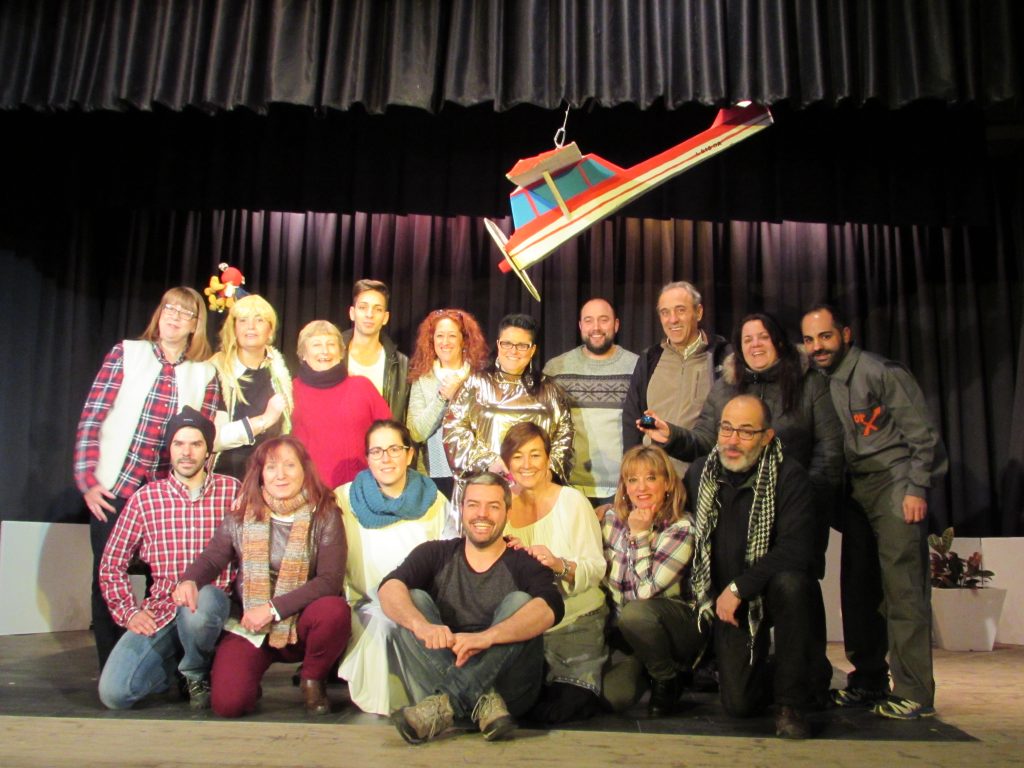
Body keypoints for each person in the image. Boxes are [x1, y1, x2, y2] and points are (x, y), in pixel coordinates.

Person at [639, 311, 844, 705]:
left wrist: (799, 502)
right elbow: (704, 441)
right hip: (735, 514)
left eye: (762, 337)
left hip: (793, 510)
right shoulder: (726, 386)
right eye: (747, 339)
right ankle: (752, 669)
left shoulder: (808, 383)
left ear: (778, 342)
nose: (755, 345)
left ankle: (803, 686)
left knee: (793, 588)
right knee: (739, 701)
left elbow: (829, 451)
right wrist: (671, 436)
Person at [802, 304, 948, 720]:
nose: (817, 347)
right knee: (859, 591)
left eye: (825, 336)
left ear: (845, 334)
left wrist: (916, 488)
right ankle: (868, 681)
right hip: (854, 491)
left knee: (903, 590)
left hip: (894, 484)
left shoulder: (880, 372)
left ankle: (915, 692)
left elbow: (924, 437)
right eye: (809, 340)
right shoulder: (819, 379)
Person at [74, 285, 221, 671]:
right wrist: (88, 480)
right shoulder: (127, 353)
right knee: (107, 574)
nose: (174, 316)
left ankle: (168, 665)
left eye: (185, 313)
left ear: (195, 325)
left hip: (166, 495)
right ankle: (113, 665)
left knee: (170, 577)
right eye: (169, 308)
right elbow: (92, 417)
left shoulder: (204, 373)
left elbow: (205, 440)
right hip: (115, 488)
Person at [379, 472, 564, 744]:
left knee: (521, 604)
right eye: (474, 504)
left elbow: (551, 607)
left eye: (493, 506)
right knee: (412, 600)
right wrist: (421, 626)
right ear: (462, 509)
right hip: (472, 702)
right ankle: (477, 702)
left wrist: (488, 637)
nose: (482, 514)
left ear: (507, 511)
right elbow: (388, 588)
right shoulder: (434, 553)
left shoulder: (525, 562)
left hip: (510, 696)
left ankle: (448, 703)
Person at [174, 435, 351, 717]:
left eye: (289, 465)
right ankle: (246, 679)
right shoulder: (241, 514)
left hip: (302, 623)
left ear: (304, 470)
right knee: (229, 705)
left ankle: (313, 678)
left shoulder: (325, 514)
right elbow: (213, 557)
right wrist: (189, 580)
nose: (280, 475)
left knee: (334, 610)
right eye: (271, 467)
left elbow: (329, 581)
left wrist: (272, 609)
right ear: (260, 474)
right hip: (251, 623)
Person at [683, 395, 818, 739]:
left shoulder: (789, 476)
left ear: (767, 436)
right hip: (730, 604)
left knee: (792, 584)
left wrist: (740, 587)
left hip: (769, 591)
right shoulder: (700, 473)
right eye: (726, 428)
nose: (732, 440)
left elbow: (796, 549)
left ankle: (791, 704)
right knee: (739, 705)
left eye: (746, 432)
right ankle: (792, 670)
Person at [98, 407, 237, 710]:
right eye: (179, 444)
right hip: (163, 610)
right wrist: (129, 612)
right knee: (115, 694)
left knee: (198, 606)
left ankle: (197, 672)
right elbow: (111, 563)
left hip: (213, 609)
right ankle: (180, 664)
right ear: (169, 449)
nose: (187, 452)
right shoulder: (146, 499)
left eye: (196, 444)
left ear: (208, 450)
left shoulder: (232, 491)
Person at [336, 419, 455, 715]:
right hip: (366, 602)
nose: (385, 459)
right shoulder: (345, 498)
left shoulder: (433, 500)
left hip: (421, 601)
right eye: (376, 451)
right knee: (386, 624)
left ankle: (446, 700)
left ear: (410, 454)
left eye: (394, 449)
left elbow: (448, 560)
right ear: (367, 457)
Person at [499, 422, 607, 724]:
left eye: (535, 455)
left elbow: (595, 568)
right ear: (507, 463)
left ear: (548, 458)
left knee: (559, 708)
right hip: (526, 623)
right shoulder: (500, 505)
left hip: (576, 618)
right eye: (518, 456)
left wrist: (560, 564)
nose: (527, 464)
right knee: (517, 701)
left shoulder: (572, 502)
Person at [600, 445, 702, 717]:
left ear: (667, 483)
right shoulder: (612, 520)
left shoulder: (681, 527)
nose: (641, 488)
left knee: (636, 614)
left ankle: (667, 677)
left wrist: (640, 535)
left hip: (671, 625)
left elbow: (644, 593)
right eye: (633, 480)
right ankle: (645, 665)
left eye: (651, 478)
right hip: (627, 631)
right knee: (614, 697)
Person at [443, 313, 574, 494]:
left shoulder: (549, 390)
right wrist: (487, 462)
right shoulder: (475, 384)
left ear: (533, 350)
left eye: (522, 346)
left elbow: (564, 435)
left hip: (535, 489)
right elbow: (454, 429)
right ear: (498, 345)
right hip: (485, 487)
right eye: (507, 344)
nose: (513, 351)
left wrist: (549, 471)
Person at [622, 281, 729, 477]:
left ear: (698, 312)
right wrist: (631, 472)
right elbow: (634, 419)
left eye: (680, 310)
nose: (672, 319)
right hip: (654, 480)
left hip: (704, 479)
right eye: (665, 312)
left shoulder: (721, 358)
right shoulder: (650, 359)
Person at [543, 298, 639, 506]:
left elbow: (646, 426)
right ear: (580, 326)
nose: (596, 327)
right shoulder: (556, 369)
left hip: (624, 488)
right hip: (568, 487)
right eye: (589, 320)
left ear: (616, 324)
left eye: (604, 320)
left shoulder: (637, 367)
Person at [291, 319, 392, 488]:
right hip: (308, 490)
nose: (325, 351)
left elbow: (389, 435)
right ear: (303, 354)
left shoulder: (362, 386)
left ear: (340, 352)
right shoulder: (290, 391)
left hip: (361, 490)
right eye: (316, 345)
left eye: (331, 344)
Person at [406, 308, 490, 499]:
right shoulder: (422, 379)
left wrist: (459, 395)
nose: (445, 342)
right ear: (432, 340)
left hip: (474, 473)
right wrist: (442, 397)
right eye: (440, 336)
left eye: (452, 335)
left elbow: (486, 429)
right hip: (432, 475)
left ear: (463, 340)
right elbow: (416, 433)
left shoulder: (479, 378)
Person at [210, 294, 292, 480]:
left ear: (270, 330)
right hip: (227, 477)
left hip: (271, 478)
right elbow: (213, 439)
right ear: (234, 328)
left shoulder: (279, 369)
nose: (251, 327)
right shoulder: (216, 372)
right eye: (243, 320)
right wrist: (264, 420)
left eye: (259, 320)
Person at [343, 279, 410, 422]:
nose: (369, 314)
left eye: (377, 309)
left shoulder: (401, 365)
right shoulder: (332, 357)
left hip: (384, 436)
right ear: (352, 313)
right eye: (363, 307)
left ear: (385, 317)